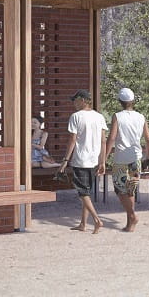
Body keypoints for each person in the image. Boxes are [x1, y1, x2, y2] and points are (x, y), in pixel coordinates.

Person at [58, 89, 108, 234]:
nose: (73, 103)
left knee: (82, 193)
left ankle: (97, 220)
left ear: (82, 100)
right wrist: (102, 161)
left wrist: (65, 160)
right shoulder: (99, 117)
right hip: (94, 160)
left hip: (80, 159)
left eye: (75, 100)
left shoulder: (75, 117)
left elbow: (72, 140)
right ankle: (83, 224)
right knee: (86, 193)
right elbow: (103, 141)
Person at [104, 87, 149, 231]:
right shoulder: (141, 117)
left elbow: (112, 138)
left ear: (120, 101)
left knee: (120, 190)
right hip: (136, 158)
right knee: (130, 190)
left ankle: (132, 216)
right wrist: (148, 159)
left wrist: (104, 158)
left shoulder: (117, 116)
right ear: (133, 101)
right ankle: (130, 222)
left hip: (120, 159)